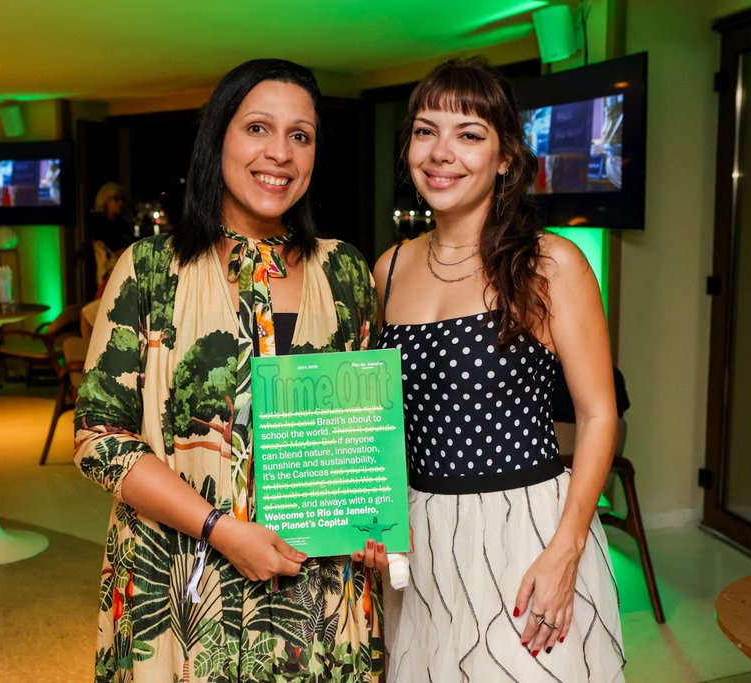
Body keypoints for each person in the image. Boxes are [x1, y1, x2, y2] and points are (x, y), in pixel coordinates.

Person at [74, 59, 382, 682]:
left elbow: (360, 433)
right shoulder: (150, 269)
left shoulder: (345, 271)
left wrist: (370, 518)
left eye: (301, 135)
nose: (281, 154)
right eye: (258, 128)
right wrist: (221, 529)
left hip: (317, 593)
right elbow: (98, 440)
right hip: (185, 587)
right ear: (218, 139)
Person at [367, 57, 625, 681]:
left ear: (506, 157)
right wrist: (373, 517)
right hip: (422, 536)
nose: (441, 152)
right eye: (426, 131)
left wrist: (566, 551)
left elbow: (597, 415)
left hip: (527, 532)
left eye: (469, 134)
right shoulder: (388, 269)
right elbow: (382, 422)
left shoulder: (551, 264)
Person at [87, 181, 136, 298]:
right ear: (105, 201)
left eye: (121, 199)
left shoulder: (121, 223)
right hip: (108, 275)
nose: (120, 203)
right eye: (115, 199)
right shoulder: (97, 224)